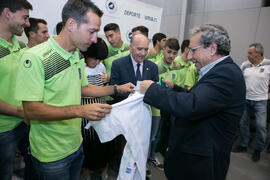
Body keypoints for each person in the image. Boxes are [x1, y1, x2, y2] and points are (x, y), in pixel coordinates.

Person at [14, 1, 135, 180]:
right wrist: (80, 110)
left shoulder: (76, 56)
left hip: (76, 144)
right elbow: (30, 109)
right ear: (71, 24)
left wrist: (116, 88)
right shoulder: (35, 57)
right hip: (51, 154)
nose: (95, 39)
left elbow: (83, 88)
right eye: (91, 31)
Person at [140, 24, 246, 180]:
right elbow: (202, 102)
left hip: (201, 166)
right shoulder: (219, 71)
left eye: (193, 50)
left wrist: (152, 90)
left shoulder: (226, 74)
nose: (189, 57)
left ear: (212, 48)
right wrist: (175, 88)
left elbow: (191, 105)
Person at [109, 34, 158, 176]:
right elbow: (113, 90)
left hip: (143, 117)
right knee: (124, 150)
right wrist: (132, 95)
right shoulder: (118, 64)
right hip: (125, 117)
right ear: (131, 48)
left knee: (141, 148)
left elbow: (155, 92)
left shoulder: (152, 67)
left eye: (145, 49)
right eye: (139, 49)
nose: (142, 53)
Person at [0, 0, 35, 180]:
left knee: (34, 166)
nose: (27, 24)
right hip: (3, 130)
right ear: (7, 13)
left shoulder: (21, 46)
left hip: (25, 123)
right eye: (24, 18)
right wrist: (22, 112)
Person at [80, 37, 111, 180]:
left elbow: (102, 88)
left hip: (102, 111)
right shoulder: (79, 67)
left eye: (100, 59)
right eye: (95, 59)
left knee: (104, 142)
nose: (97, 62)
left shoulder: (101, 67)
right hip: (85, 113)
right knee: (88, 144)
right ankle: (86, 171)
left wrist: (108, 79)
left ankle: (104, 169)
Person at [233, 43, 270, 162]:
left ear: (258, 54)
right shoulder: (245, 65)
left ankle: (258, 149)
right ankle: (243, 145)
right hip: (245, 99)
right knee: (243, 123)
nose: (247, 55)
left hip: (261, 101)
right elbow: (239, 80)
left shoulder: (268, 64)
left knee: (260, 126)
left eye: (250, 53)